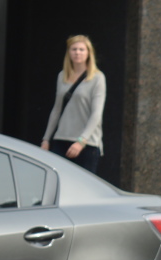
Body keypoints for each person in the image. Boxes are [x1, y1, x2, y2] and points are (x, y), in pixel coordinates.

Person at [40, 35, 106, 174]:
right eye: (74, 49)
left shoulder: (97, 78)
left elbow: (96, 114)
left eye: (82, 49)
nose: (77, 52)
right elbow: (56, 110)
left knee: (85, 187)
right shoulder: (62, 76)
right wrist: (46, 139)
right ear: (68, 52)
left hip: (87, 143)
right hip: (62, 138)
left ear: (89, 53)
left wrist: (81, 141)